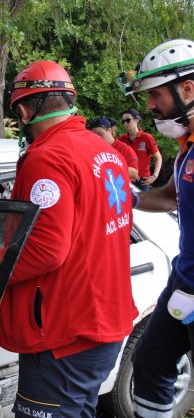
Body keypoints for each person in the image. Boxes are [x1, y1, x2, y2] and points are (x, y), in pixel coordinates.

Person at [0, 60, 137, 417]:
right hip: (102, 325)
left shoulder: (47, 158)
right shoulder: (105, 152)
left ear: (25, 108)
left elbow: (45, 251)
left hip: (65, 334)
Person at [119, 38, 194, 418]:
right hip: (184, 282)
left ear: (188, 89)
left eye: (156, 95)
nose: (149, 106)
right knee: (149, 364)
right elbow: (169, 197)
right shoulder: (187, 149)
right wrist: (122, 197)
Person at [119, 108, 162, 190]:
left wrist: (154, 176)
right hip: (127, 177)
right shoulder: (122, 139)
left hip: (142, 180)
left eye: (127, 120)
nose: (125, 123)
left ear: (136, 120)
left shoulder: (146, 138)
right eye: (123, 121)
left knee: (142, 202)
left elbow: (158, 157)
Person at [88, 116, 140, 180]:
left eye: (100, 134)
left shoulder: (124, 149)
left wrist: (109, 169)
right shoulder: (93, 149)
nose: (97, 138)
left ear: (109, 130)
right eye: (94, 136)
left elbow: (134, 172)